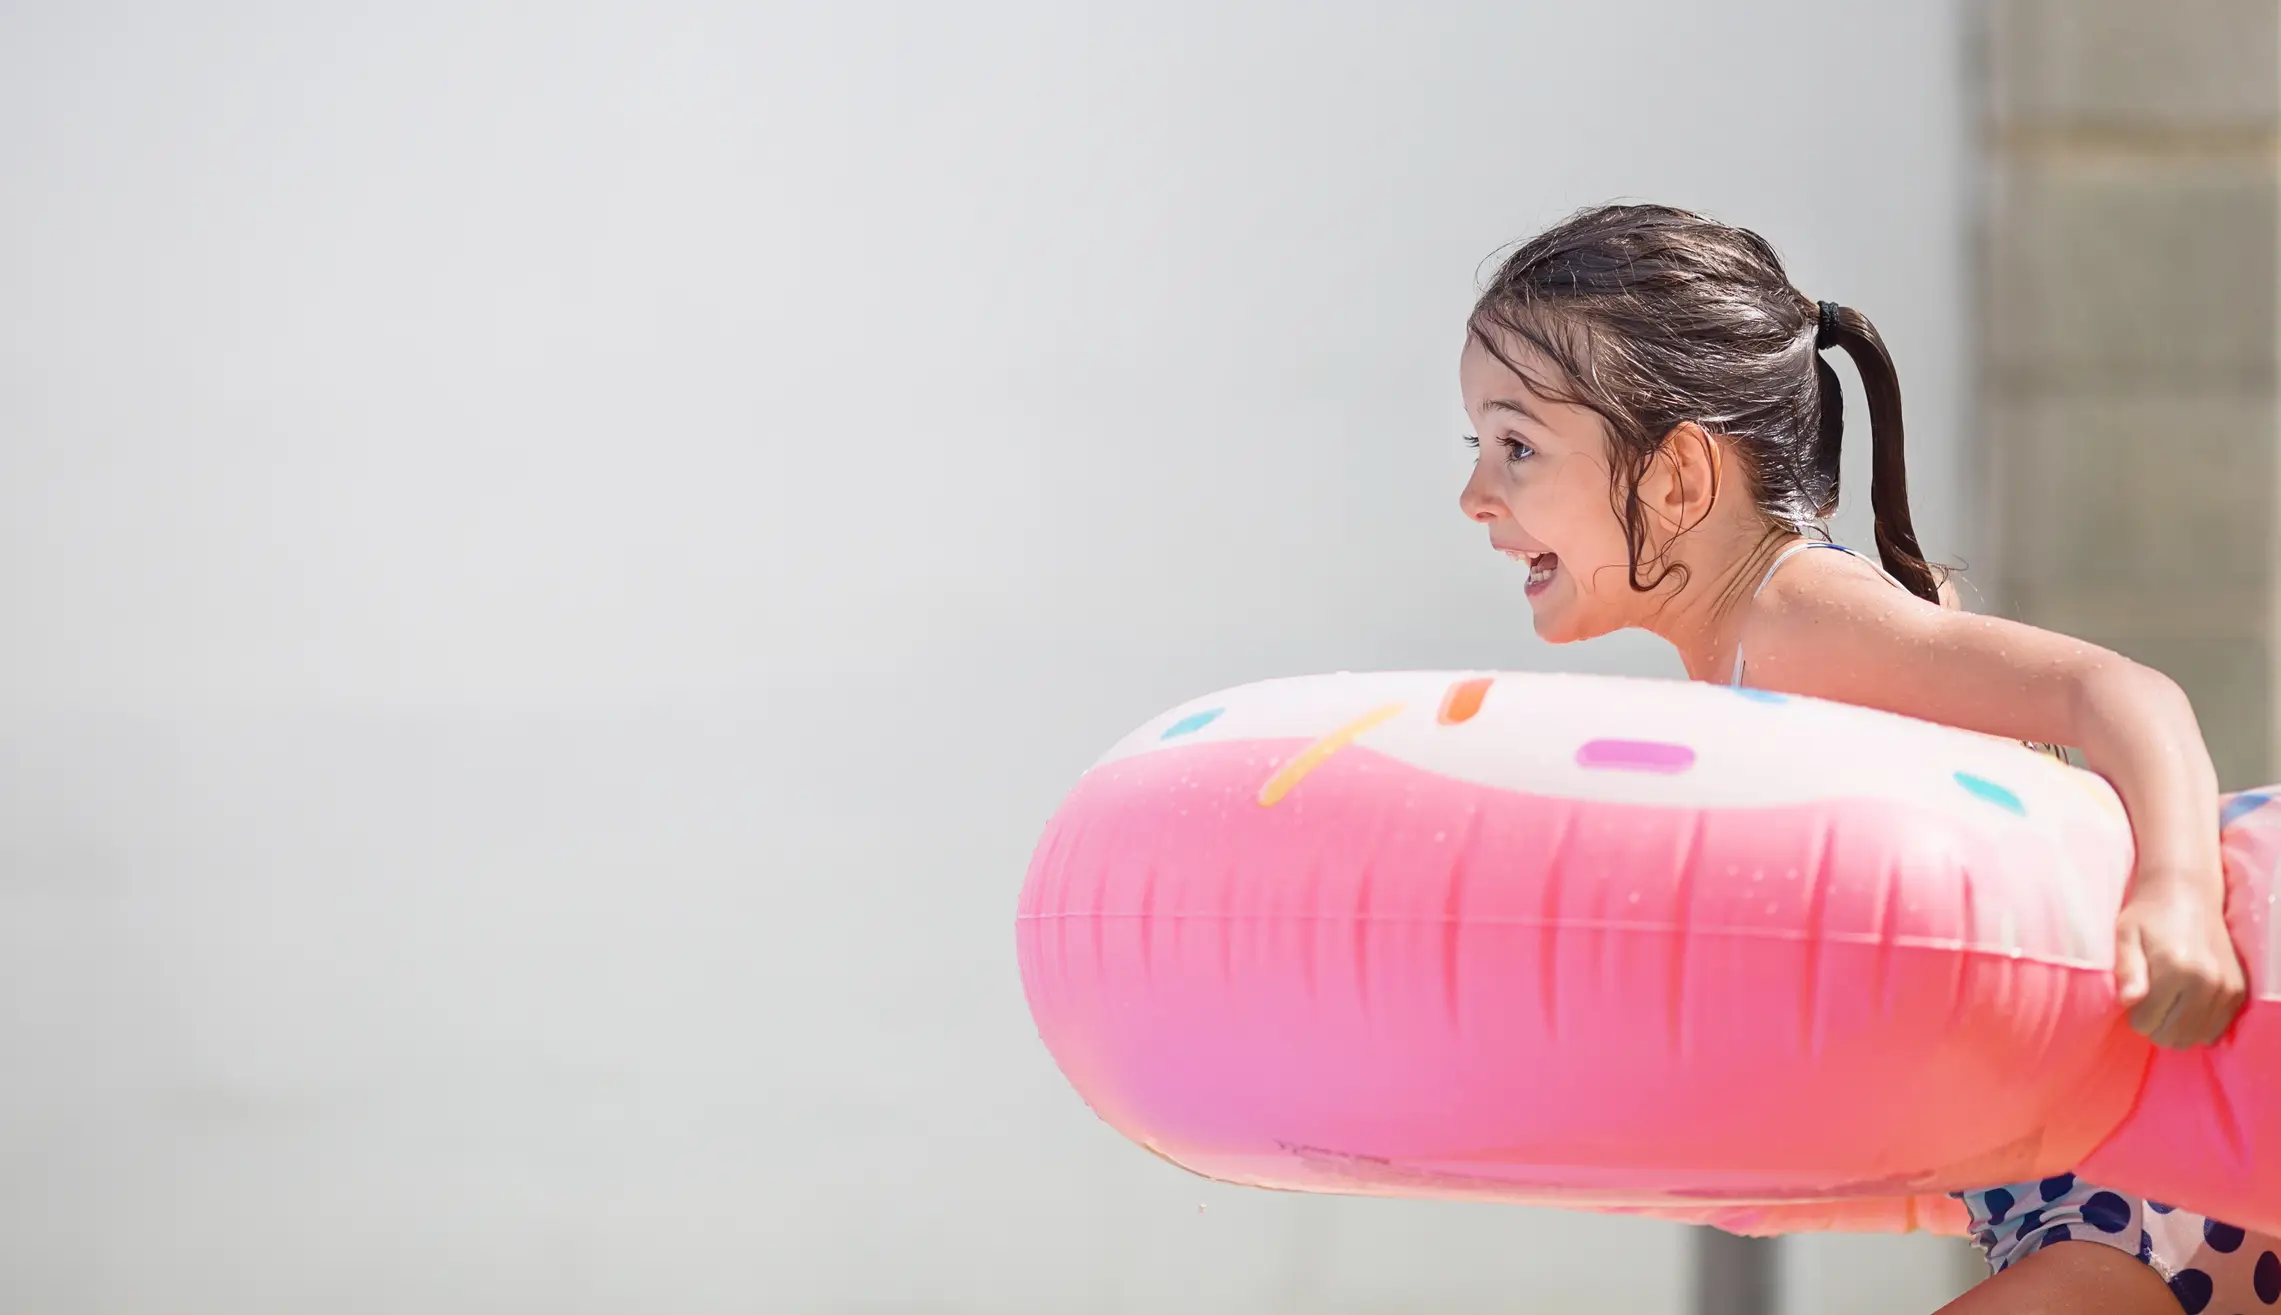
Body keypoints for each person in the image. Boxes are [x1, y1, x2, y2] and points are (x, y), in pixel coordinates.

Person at [1456, 203, 2261, 1313]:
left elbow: (2115, 691)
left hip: (2135, 1185)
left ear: (1678, 477)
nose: (1474, 497)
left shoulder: (1796, 620)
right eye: (1477, 446)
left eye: (1517, 446)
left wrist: (2176, 896)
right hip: (2083, 1190)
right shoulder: (1742, 666)